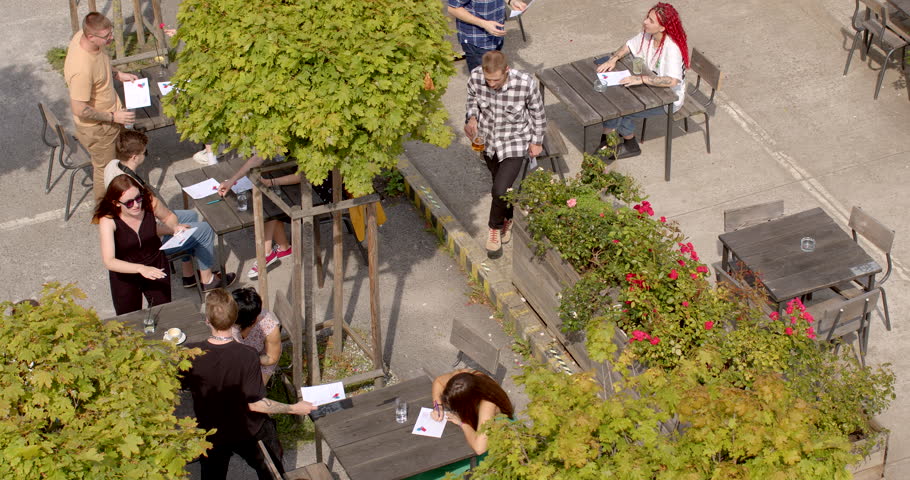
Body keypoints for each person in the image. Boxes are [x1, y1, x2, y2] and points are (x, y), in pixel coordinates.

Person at [181, 289, 316, 479]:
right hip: (248, 429)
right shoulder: (248, 356)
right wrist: (294, 408)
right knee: (271, 471)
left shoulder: (190, 353)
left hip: (212, 430)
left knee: (212, 475)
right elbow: (255, 403)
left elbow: (181, 386)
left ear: (207, 321)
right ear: (234, 318)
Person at [93, 175, 235, 314]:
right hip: (125, 273)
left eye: (138, 198)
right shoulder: (108, 220)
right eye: (129, 203)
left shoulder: (149, 202)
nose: (136, 205)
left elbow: (168, 216)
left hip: (155, 263)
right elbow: (109, 261)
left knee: (162, 311)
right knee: (128, 319)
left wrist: (174, 227)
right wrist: (141, 269)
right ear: (116, 203)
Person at [103, 131, 224, 289]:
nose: (146, 155)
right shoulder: (135, 192)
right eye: (145, 152)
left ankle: (188, 275)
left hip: (135, 228)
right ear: (134, 157)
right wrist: (171, 230)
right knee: (205, 230)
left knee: (190, 215)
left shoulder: (112, 166)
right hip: (148, 246)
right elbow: (150, 226)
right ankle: (207, 280)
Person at [464, 51, 546, 259]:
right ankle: (508, 217)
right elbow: (472, 98)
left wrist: (537, 141)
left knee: (499, 190)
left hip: (514, 141)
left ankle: (494, 228)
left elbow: (538, 113)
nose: (491, 84)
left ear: (507, 71)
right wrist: (472, 117)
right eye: (488, 79)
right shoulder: (475, 77)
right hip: (488, 140)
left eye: (496, 79)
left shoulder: (525, 83)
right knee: (500, 186)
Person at [595, 2, 689, 160]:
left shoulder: (671, 49)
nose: (645, 21)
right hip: (648, 87)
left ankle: (625, 144)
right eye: (647, 17)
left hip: (668, 99)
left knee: (622, 110)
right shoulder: (648, 35)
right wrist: (614, 58)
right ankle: (608, 142)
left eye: (651, 21)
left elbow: (672, 81)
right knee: (612, 102)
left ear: (662, 28)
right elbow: (628, 45)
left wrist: (641, 79)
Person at [64, 12, 138, 203]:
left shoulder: (87, 38)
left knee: (119, 160)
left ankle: (124, 192)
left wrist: (117, 74)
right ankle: (104, 212)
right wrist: (114, 117)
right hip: (99, 128)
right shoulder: (81, 68)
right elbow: (79, 109)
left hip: (111, 118)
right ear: (90, 36)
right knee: (104, 170)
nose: (111, 38)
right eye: (107, 37)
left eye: (110, 33)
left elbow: (102, 64)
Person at [408, 369, 514, 480]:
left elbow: (480, 448)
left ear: (468, 402)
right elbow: (438, 382)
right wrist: (437, 406)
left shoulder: (487, 405)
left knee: (441, 469)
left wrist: (462, 423)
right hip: (476, 424)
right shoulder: (464, 379)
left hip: (496, 438)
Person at [447, 0, 528, 72]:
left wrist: (512, 1)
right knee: (483, 80)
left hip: (496, 34)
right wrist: (484, 24)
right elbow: (453, 8)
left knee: (495, 73)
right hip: (476, 40)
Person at [231, 287, 282, 385]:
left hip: (260, 359)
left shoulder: (269, 327)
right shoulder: (228, 315)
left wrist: (248, 360)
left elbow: (271, 357)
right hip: (237, 355)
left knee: (251, 391)